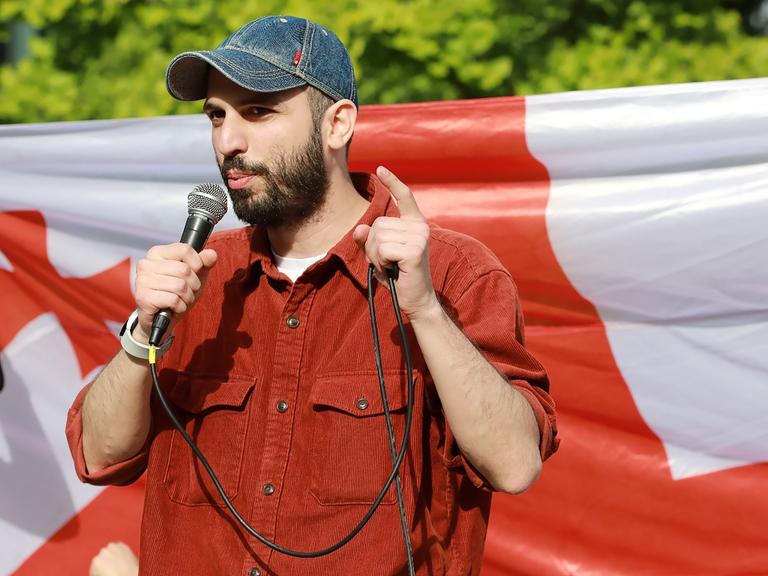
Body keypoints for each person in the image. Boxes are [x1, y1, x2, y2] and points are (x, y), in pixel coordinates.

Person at [66, 15, 558, 575]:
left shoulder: (452, 273)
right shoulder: (202, 276)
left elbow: (514, 465)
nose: (228, 141)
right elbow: (96, 455)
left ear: (337, 124)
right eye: (217, 116)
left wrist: (424, 309)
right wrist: (142, 333)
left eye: (258, 111)